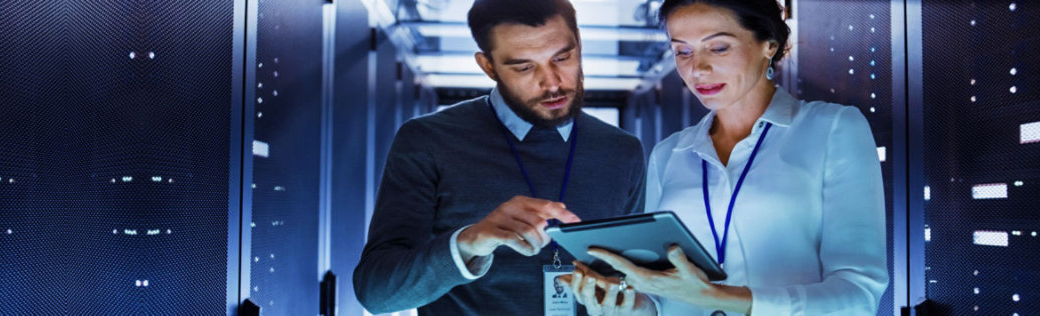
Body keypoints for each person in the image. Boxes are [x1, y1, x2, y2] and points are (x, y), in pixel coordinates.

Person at [558, 0, 888, 315]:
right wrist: (632, 307)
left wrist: (722, 298)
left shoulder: (832, 129)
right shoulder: (669, 153)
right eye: (682, 51)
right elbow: (661, 298)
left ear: (768, 45)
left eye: (718, 47)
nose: (697, 68)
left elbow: (857, 295)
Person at [352, 0, 646, 314]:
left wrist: (632, 302)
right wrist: (470, 242)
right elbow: (376, 293)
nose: (553, 82)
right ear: (488, 66)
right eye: (524, 67)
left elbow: (629, 280)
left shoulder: (622, 151)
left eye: (563, 57)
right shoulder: (428, 141)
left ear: (579, 45)